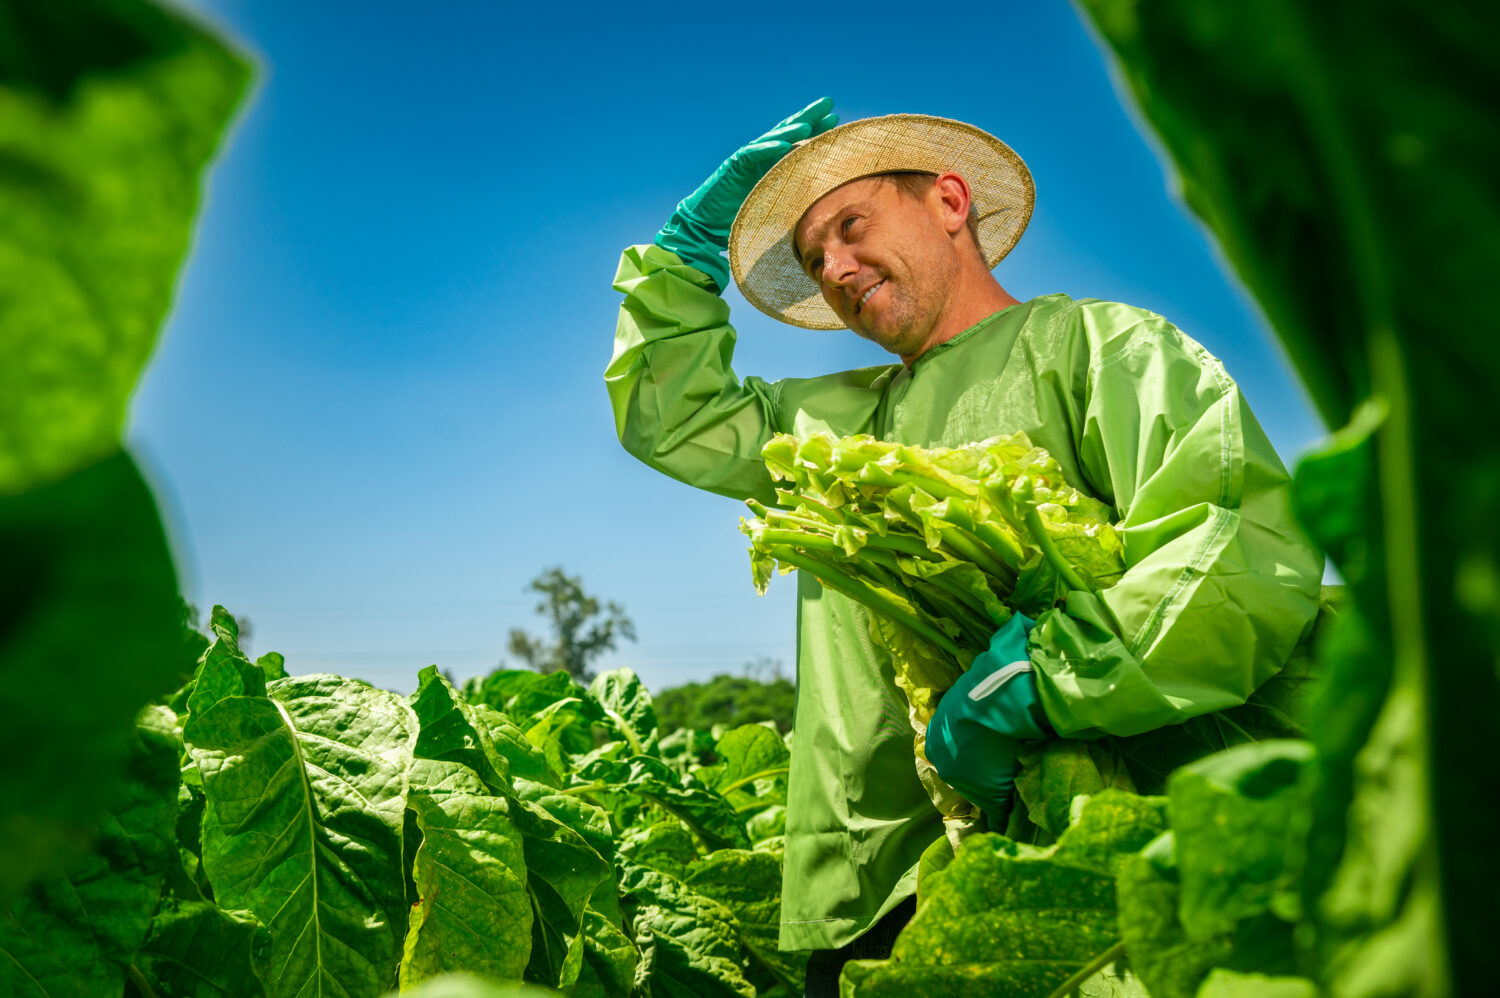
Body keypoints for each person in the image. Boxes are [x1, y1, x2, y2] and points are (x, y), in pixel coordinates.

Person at [605, 99, 1323, 994]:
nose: (832, 265)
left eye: (850, 224)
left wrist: (1041, 682)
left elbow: (1234, 550)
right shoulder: (829, 426)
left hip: (1078, 862)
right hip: (869, 888)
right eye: (810, 257)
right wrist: (682, 259)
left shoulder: (1099, 350)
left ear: (949, 203)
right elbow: (668, 415)